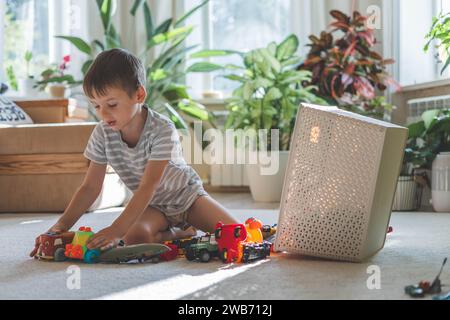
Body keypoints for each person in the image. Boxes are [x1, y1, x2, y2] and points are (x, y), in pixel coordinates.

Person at [30, 48, 238, 255]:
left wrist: (116, 229)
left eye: (111, 104)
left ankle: (187, 225)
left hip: (187, 198)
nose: (104, 113)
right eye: (96, 106)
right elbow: (90, 187)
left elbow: (149, 185)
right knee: (134, 238)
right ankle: (179, 233)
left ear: (139, 95)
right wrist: (60, 226)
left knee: (236, 234)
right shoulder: (102, 133)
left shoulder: (162, 129)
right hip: (153, 206)